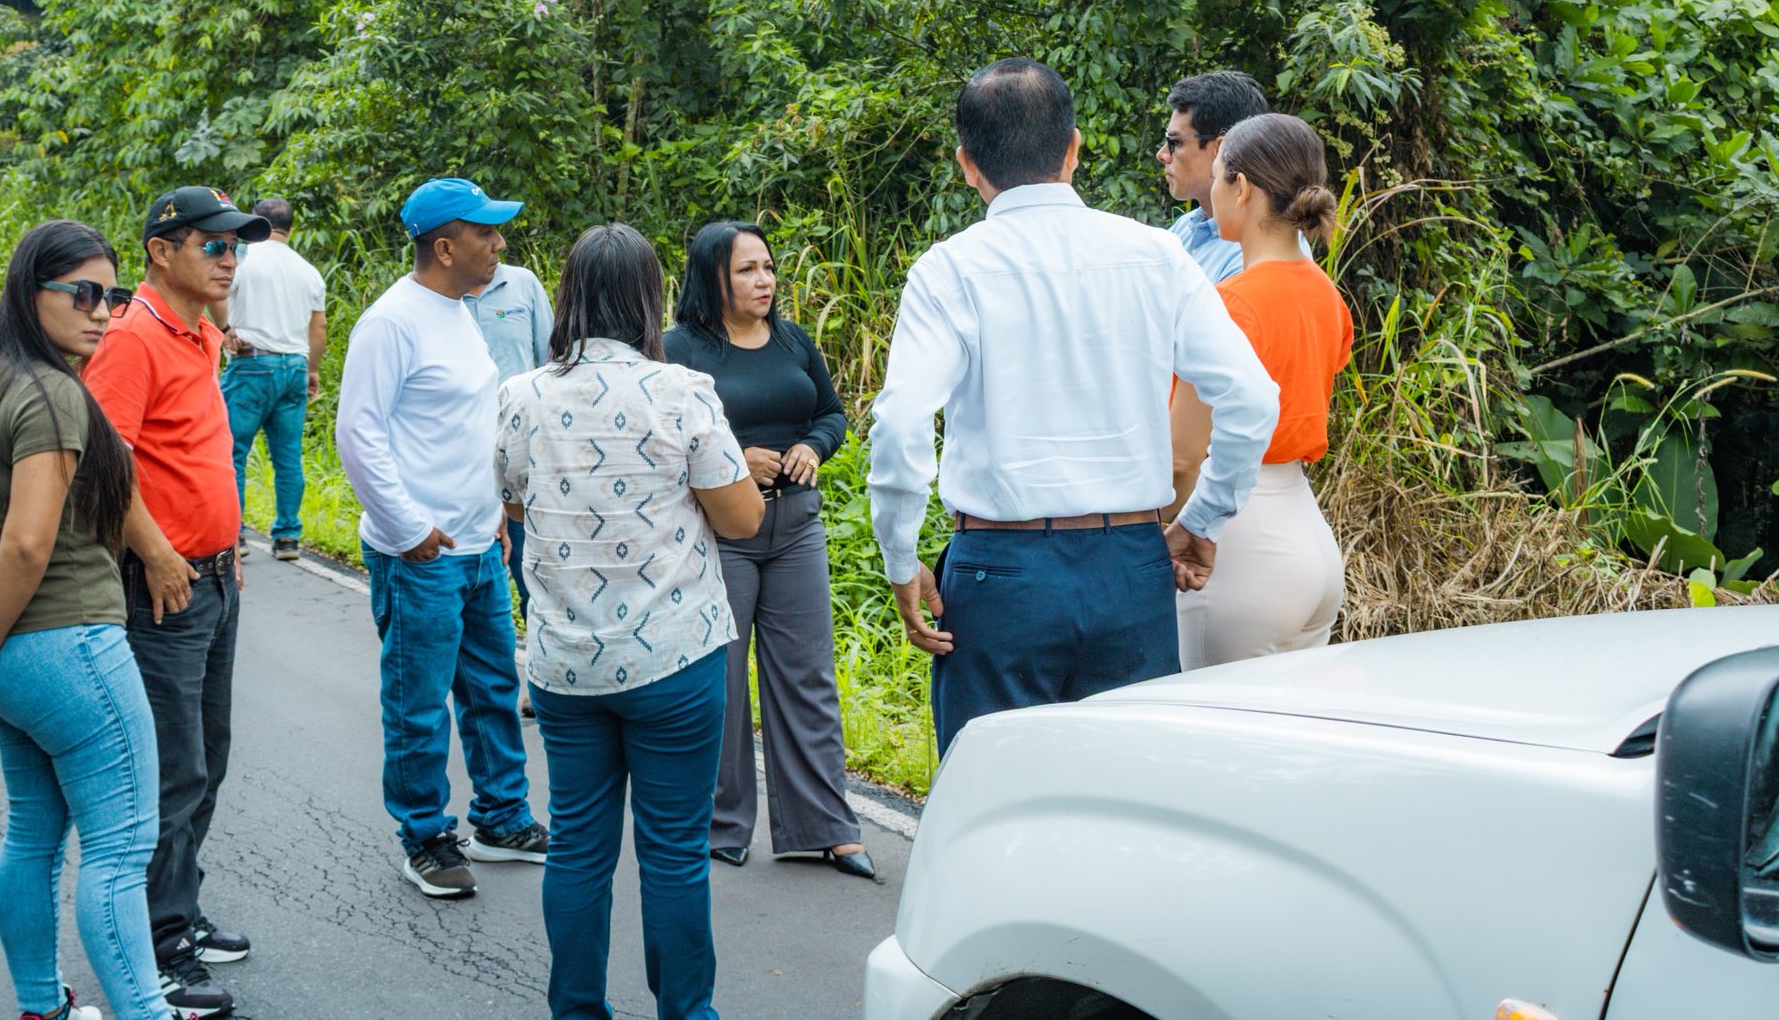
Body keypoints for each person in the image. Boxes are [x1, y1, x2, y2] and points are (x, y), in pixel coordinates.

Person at [868, 58, 1280, 756]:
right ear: (1073, 149)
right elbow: (1250, 397)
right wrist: (1203, 517)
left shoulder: (950, 269)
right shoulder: (1156, 255)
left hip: (1000, 571)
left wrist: (901, 558)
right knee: (1129, 791)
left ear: (967, 164)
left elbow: (903, 421)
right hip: (1131, 566)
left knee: (994, 792)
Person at [496, 223, 763, 1020]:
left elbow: (515, 503)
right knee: (674, 853)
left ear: (569, 296)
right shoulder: (681, 391)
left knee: (577, 848)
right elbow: (743, 518)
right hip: (675, 658)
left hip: (566, 665)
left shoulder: (522, 395)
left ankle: (577, 1010)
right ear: (649, 297)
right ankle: (686, 1012)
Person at [0, 220, 167, 1020]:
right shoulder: (52, 393)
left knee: (32, 834)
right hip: (68, 646)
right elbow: (27, 542)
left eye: (113, 297)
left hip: (9, 663)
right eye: (83, 294)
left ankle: (41, 1006)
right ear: (31, 293)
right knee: (120, 850)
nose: (102, 313)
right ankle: (146, 1012)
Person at [83, 186, 271, 1020]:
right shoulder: (132, 339)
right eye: (214, 246)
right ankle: (158, 947)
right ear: (162, 251)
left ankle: (179, 910)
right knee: (170, 767)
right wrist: (158, 552)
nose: (230, 260)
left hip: (214, 576)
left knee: (209, 756)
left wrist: (227, 544)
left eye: (237, 247)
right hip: (164, 582)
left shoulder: (201, 332)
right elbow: (105, 462)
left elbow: (195, 453)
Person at [335, 177, 550, 901]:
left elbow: (469, 423)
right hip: (419, 553)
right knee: (418, 702)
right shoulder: (391, 322)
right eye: (485, 233)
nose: (499, 244)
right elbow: (358, 434)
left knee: (492, 689)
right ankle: (425, 835)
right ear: (445, 247)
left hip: (478, 544)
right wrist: (407, 529)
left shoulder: (459, 311)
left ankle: (501, 819)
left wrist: (492, 515)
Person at [663, 222, 871, 879]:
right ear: (713, 278)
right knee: (723, 682)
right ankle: (723, 826)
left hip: (797, 527)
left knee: (808, 676)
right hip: (723, 533)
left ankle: (826, 827)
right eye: (747, 270)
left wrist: (815, 445)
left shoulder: (792, 340)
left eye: (769, 267)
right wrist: (733, 458)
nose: (765, 281)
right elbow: (662, 437)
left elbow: (831, 413)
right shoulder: (677, 350)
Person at [1169, 113, 1354, 667]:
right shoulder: (1327, 296)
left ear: (1242, 188)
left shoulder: (1229, 304)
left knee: (1207, 719)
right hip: (1310, 541)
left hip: (1236, 547)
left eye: (1218, 177)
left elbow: (1183, 457)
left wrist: (1170, 534)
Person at [463, 251, 555, 719]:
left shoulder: (522, 285)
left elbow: (552, 360)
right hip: (463, 459)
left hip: (522, 454)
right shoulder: (441, 295)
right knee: (475, 575)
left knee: (531, 568)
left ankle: (539, 677)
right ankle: (482, 688)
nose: (494, 243)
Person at [220, 196, 327, 563]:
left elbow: (219, 292)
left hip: (252, 363)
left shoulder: (243, 258)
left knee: (232, 452)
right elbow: (319, 326)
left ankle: (234, 533)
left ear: (255, 223)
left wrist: (225, 328)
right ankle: (287, 538)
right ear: (291, 229)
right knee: (288, 457)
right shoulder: (307, 270)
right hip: (294, 367)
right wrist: (312, 369)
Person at [1158, 70, 1300, 282]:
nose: (1162, 155)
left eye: (1175, 142)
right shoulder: (1185, 228)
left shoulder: (1260, 254)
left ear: (1220, 149)